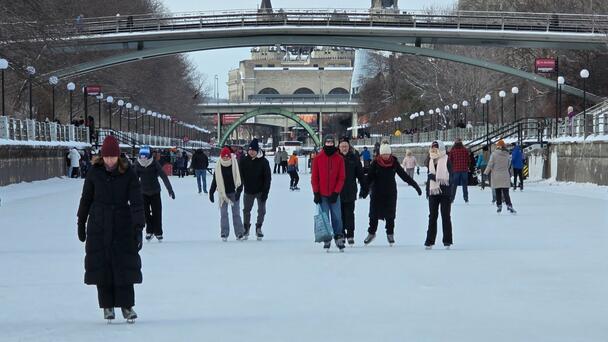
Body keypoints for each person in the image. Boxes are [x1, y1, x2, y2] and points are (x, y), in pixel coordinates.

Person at [76, 135, 144, 322]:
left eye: (113, 157)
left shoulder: (128, 172)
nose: (109, 161)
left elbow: (137, 201)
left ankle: (127, 306)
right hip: (99, 222)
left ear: (118, 156)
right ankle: (107, 306)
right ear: (101, 156)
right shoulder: (94, 172)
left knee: (124, 265)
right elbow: (86, 198)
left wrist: (138, 227)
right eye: (106, 157)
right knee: (102, 265)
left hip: (123, 222)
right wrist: (81, 222)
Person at [364, 142, 422, 246]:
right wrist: (364, 191)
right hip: (377, 192)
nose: (385, 156)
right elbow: (369, 178)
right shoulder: (375, 163)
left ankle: (390, 233)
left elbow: (404, 176)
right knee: (373, 214)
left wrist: (415, 185)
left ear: (390, 154)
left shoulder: (394, 162)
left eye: (387, 154)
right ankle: (371, 233)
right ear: (380, 154)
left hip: (390, 192)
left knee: (390, 215)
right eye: (383, 154)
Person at [311, 135, 346, 252]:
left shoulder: (339, 159)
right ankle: (327, 238)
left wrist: (336, 192)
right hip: (322, 194)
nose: (329, 144)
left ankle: (339, 237)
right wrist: (316, 192)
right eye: (327, 142)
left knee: (337, 217)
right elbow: (314, 177)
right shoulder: (318, 158)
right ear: (324, 143)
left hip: (334, 194)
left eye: (331, 142)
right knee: (324, 216)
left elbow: (341, 177)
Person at [134, 145, 175, 242]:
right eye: (142, 157)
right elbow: (134, 180)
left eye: (145, 157)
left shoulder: (154, 163)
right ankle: (149, 231)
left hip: (155, 191)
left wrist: (170, 190)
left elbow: (163, 176)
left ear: (148, 156)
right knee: (146, 213)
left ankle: (158, 232)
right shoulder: (138, 164)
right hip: (143, 192)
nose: (143, 159)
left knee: (157, 212)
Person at [209, 147, 245, 241]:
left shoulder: (235, 164)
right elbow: (215, 180)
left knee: (236, 213)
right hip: (223, 194)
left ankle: (239, 233)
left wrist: (239, 191)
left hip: (234, 192)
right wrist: (211, 192)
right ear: (221, 156)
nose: (225, 158)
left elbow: (240, 179)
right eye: (224, 156)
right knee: (223, 213)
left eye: (227, 156)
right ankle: (224, 233)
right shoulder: (218, 165)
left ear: (229, 156)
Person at [239, 139, 271, 240]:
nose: (251, 152)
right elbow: (240, 177)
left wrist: (265, 192)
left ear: (257, 151)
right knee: (246, 210)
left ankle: (258, 227)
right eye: (250, 150)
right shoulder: (243, 161)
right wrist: (239, 190)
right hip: (248, 190)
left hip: (261, 190)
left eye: (253, 150)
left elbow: (267, 178)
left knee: (262, 210)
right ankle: (246, 228)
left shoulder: (264, 162)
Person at [424, 140, 453, 250]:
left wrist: (435, 178)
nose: (433, 150)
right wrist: (428, 191)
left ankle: (447, 241)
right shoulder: (430, 160)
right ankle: (429, 241)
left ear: (440, 149)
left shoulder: (446, 160)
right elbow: (428, 176)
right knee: (432, 216)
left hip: (445, 192)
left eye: (435, 148)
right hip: (433, 192)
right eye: (432, 148)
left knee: (445, 216)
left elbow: (451, 177)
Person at [338, 138, 368, 245]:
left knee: (350, 214)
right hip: (338, 191)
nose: (344, 148)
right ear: (339, 147)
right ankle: (341, 234)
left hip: (350, 190)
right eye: (342, 146)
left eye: (346, 146)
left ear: (349, 147)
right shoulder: (336, 158)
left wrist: (364, 188)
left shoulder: (354, 158)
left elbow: (360, 174)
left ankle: (350, 234)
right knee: (340, 214)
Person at [485, 139, 517, 214]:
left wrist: (486, 172)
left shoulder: (494, 154)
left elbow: (490, 164)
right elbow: (509, 165)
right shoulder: (507, 154)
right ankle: (509, 205)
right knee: (506, 192)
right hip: (505, 174)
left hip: (496, 175)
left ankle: (499, 205)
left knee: (498, 191)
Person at [448, 138, 470, 203]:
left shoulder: (453, 151)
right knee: (464, 185)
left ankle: (452, 199)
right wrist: (467, 166)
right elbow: (468, 160)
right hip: (464, 169)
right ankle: (466, 198)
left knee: (454, 185)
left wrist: (451, 168)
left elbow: (450, 161)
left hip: (456, 170)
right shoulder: (465, 150)